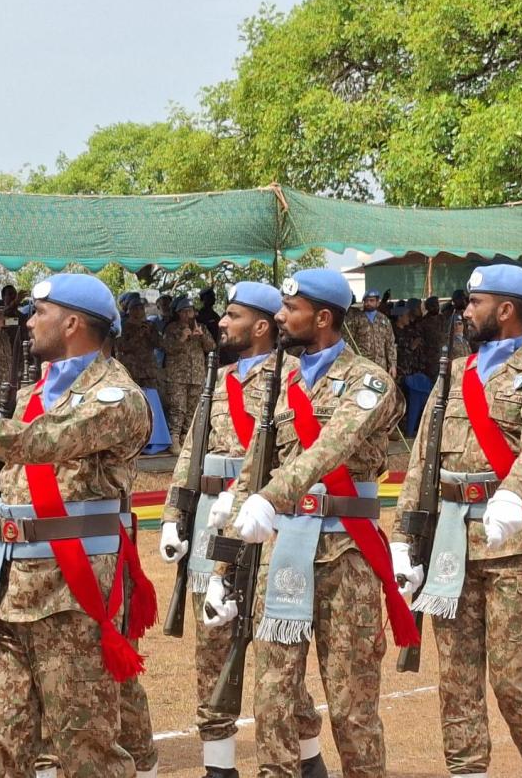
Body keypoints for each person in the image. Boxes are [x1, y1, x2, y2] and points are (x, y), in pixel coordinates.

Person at [0, 273, 158, 778]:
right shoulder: (32, 394)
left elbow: (43, 441)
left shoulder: (117, 398)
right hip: (6, 592)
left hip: (71, 596)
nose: (29, 323)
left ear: (72, 323)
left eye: (39, 313)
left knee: (86, 751)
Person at [210, 268, 409, 778]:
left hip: (346, 555)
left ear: (322, 318)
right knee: (273, 698)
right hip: (284, 554)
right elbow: (253, 469)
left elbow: (330, 448)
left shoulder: (369, 381)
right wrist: (222, 567)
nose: (279, 317)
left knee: (351, 707)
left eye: (290, 309)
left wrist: (271, 497)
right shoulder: (281, 380)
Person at [392, 264, 522, 778]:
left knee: (515, 679)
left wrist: (512, 494)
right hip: (451, 541)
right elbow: (423, 460)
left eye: (476, 303)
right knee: (456, 681)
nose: (466, 311)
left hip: (516, 545)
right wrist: (403, 538)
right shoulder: (453, 373)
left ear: (506, 309)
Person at [162, 282, 329, 778]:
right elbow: (191, 453)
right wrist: (173, 515)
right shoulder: (217, 380)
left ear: (259, 325)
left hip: (267, 524)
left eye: (232, 315)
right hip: (212, 523)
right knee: (212, 645)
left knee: (275, 652)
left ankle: (309, 757)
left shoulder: (295, 377)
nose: (221, 322)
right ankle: (219, 766)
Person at [162, 296, 216, 454]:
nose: (188, 315)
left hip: (196, 375)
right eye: (184, 311)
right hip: (177, 376)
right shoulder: (172, 328)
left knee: (193, 409)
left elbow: (211, 347)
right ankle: (174, 439)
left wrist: (202, 336)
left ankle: (186, 438)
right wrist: (182, 338)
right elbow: (166, 348)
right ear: (178, 313)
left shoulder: (201, 327)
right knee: (178, 408)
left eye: (190, 311)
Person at [346, 290, 397, 377]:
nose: (368, 303)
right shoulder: (357, 319)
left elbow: (390, 343)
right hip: (363, 365)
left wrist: (393, 365)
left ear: (377, 302)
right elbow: (349, 342)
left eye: (372, 300)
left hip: (381, 366)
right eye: (366, 300)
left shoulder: (384, 320)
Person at [115, 296, 160, 390]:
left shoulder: (150, 325)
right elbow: (121, 347)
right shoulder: (123, 327)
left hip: (149, 371)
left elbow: (159, 344)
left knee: (151, 395)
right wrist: (138, 335)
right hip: (132, 370)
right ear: (130, 310)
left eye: (141, 308)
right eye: (135, 308)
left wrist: (150, 334)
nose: (139, 311)